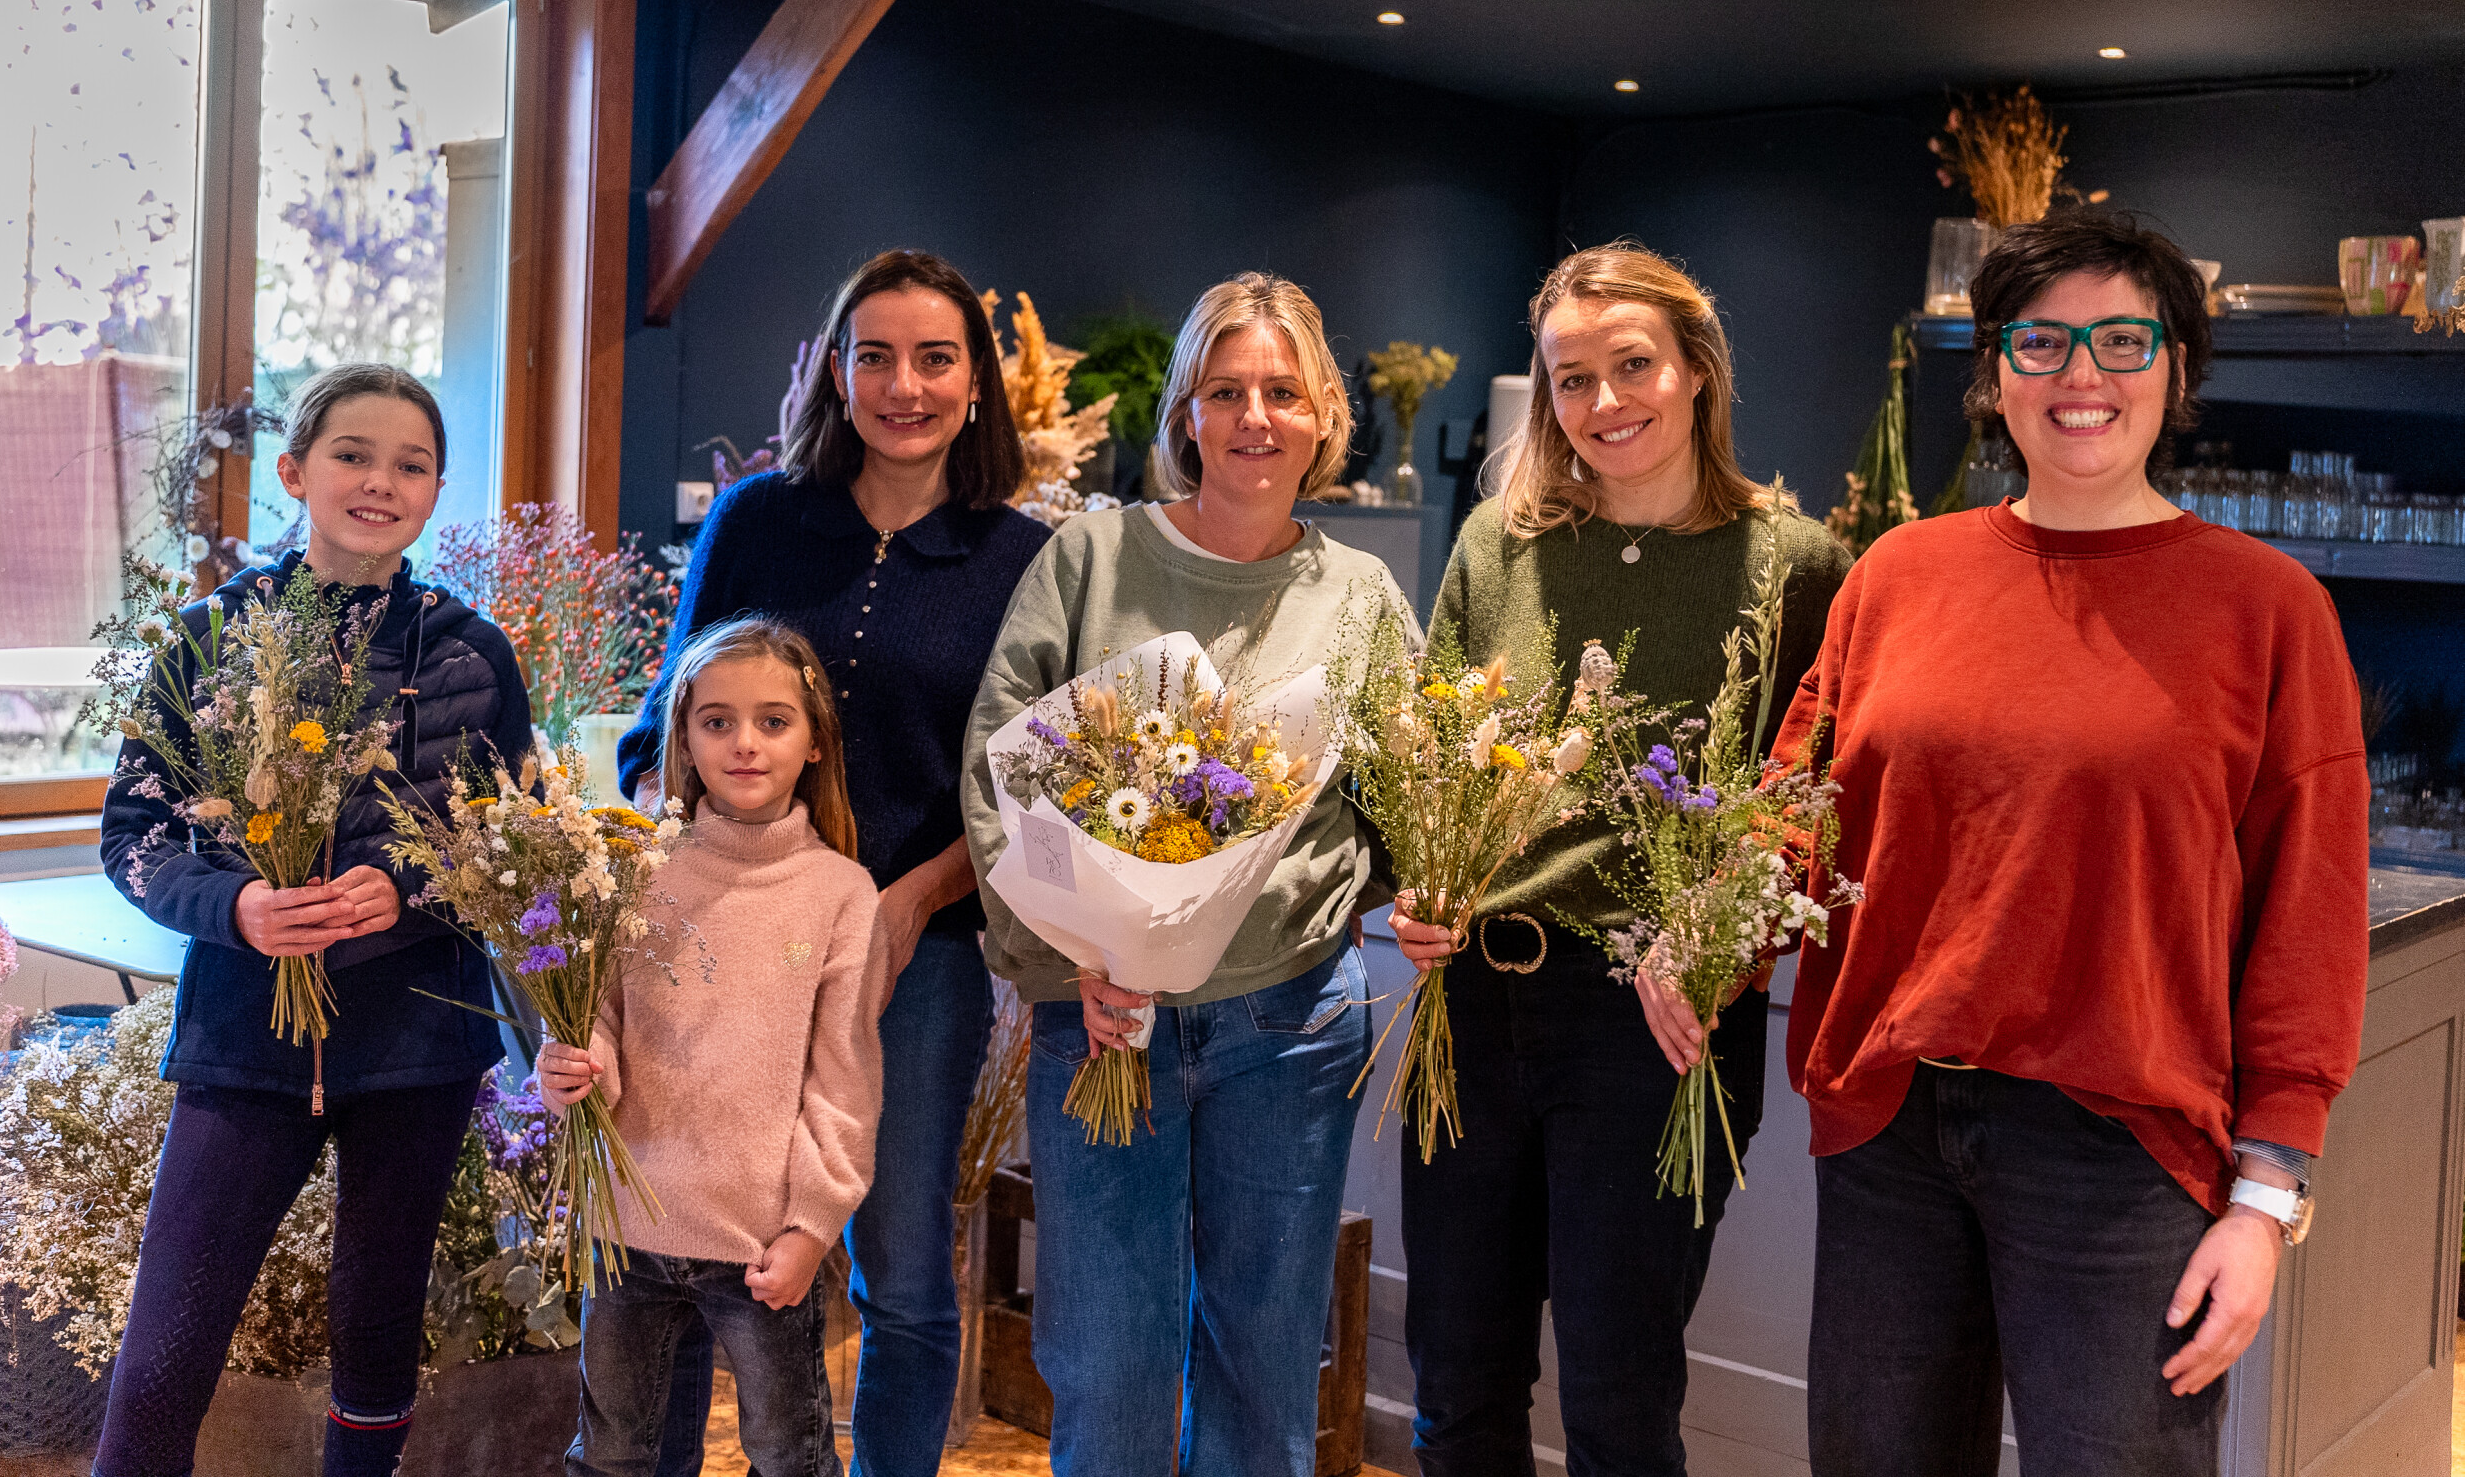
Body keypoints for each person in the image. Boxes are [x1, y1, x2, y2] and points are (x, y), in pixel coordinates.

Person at [1771, 213, 2369, 1476]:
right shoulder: (1898, 572)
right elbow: (1795, 805)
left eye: (2119, 340)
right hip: (1893, 1122)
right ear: (1993, 374)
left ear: (2176, 371)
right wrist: (1695, 932)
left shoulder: (2267, 607)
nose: (2080, 375)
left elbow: (2307, 915)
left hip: (2126, 1144)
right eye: (2040, 342)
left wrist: (2266, 1198)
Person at [1382, 243, 1850, 1475]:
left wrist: (1715, 942)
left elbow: (1812, 796)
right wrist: (1418, 884)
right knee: (1456, 1373)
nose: (1603, 404)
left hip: (1652, 1019)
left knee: (1619, 1391)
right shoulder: (1499, 542)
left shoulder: (1794, 562)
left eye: (1631, 365)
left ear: (1696, 369)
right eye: (1570, 378)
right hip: (1473, 1002)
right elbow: (1436, 743)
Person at [961, 271, 1411, 1477]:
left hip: (1291, 1024)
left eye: (1282, 390)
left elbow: (1408, 803)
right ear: (1186, 412)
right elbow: (997, 776)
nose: (1254, 416)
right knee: (1107, 1365)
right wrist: (1071, 963)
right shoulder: (1088, 560)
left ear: (1322, 415)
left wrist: (1418, 893)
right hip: (1101, 1023)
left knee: (1265, 1364)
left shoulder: (1359, 595)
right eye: (1226, 390)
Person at [615, 249, 1049, 1477]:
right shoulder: (761, 517)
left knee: (901, 1263)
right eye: (875, 355)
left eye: (934, 358)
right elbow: (665, 720)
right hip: (721, 947)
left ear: (976, 385)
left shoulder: (1024, 558)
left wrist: (907, 900)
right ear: (833, 372)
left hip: (916, 957)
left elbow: (1029, 790)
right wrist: (658, 824)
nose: (902, 384)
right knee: (691, 1240)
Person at [94, 365, 533, 1477]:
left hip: (419, 1048)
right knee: (165, 1350)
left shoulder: (474, 653)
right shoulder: (205, 639)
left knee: (377, 1331)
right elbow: (134, 835)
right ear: (294, 472)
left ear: (435, 491)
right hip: (245, 1041)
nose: (380, 481)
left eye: (412, 464)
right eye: (353, 454)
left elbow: (512, 840)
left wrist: (412, 884)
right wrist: (237, 905)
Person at [541, 617, 883, 1477]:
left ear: (814, 743)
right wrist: (576, 1063)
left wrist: (813, 1226)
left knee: (787, 1456)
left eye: (774, 721)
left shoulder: (841, 893)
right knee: (612, 1453)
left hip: (763, 1241)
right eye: (716, 721)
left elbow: (843, 1081)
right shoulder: (631, 868)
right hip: (629, 1225)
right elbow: (602, 1017)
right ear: (684, 739)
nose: (744, 744)